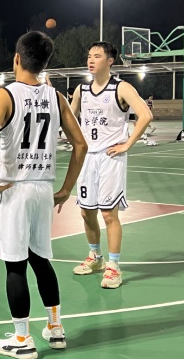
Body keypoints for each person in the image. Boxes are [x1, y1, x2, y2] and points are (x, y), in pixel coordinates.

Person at [0, 31, 87, 358]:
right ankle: (55, 327)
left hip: (13, 188)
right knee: (40, 259)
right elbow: (80, 145)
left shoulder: (4, 95)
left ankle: (22, 339)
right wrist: (66, 189)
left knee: (15, 265)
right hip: (43, 188)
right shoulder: (56, 97)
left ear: (17, 58)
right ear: (45, 63)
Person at [70, 41, 152, 289]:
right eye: (89, 56)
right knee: (86, 212)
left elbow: (145, 115)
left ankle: (114, 266)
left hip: (110, 158)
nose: (90, 60)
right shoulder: (81, 90)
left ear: (110, 61)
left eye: (97, 56)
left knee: (108, 213)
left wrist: (127, 144)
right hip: (87, 158)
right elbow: (69, 119)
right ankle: (96, 257)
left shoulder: (121, 88)